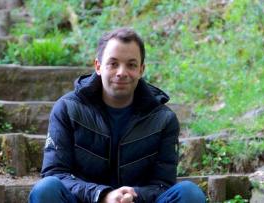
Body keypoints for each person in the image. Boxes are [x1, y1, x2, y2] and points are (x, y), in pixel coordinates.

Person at [29, 27, 206, 203]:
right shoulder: (68, 109)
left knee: (189, 193)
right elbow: (56, 174)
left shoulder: (163, 120)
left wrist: (134, 195)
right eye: (113, 64)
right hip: (86, 200)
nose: (121, 72)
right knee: (46, 189)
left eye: (131, 65)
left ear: (141, 70)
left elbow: (163, 184)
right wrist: (103, 195)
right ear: (98, 66)